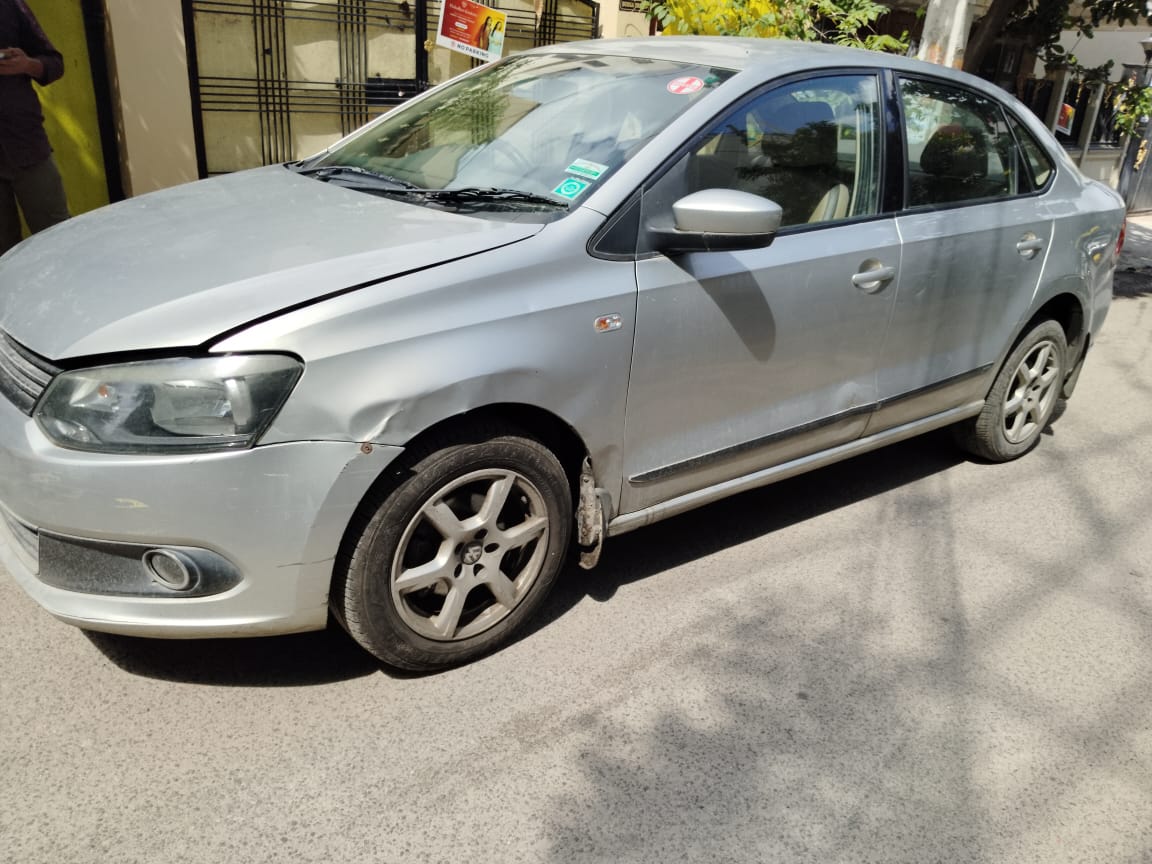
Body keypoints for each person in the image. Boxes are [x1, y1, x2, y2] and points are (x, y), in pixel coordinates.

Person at [0, 0, 68, 256]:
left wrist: (27, 64)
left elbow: (55, 63)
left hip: (26, 145)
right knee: (4, 256)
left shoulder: (10, 5)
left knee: (58, 236)